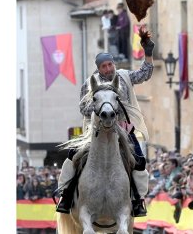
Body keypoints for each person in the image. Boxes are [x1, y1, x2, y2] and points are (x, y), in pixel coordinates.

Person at [56, 28, 155, 217]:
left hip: (123, 131)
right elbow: (83, 108)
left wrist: (148, 54)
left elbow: (144, 74)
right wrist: (101, 108)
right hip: (95, 131)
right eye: (104, 66)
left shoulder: (124, 76)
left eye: (110, 64)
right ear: (99, 68)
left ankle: (138, 200)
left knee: (140, 161)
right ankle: (65, 196)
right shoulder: (90, 83)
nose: (108, 69)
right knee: (73, 156)